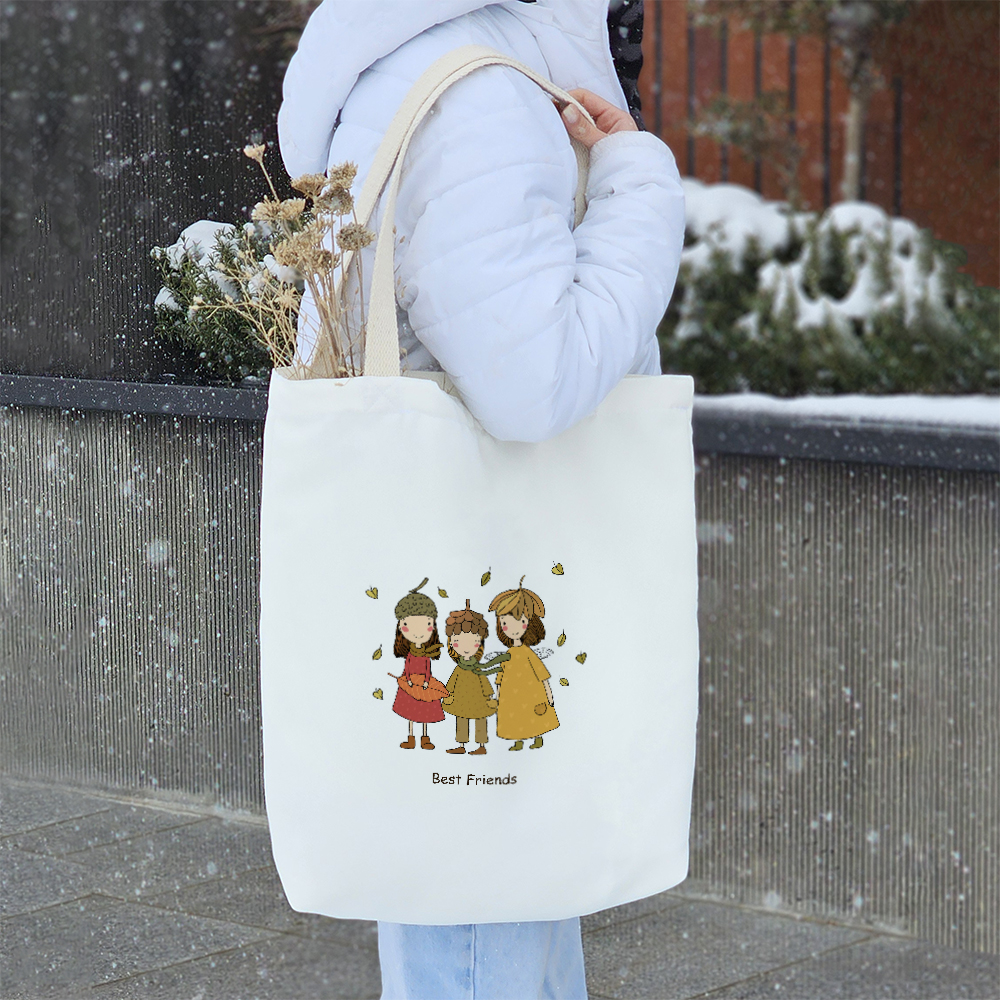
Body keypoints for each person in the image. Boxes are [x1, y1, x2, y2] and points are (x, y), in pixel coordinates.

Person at [277, 1, 684, 996]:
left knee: (481, 886)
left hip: (453, 546)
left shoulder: (429, 60)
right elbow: (533, 384)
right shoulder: (479, 94)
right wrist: (637, 185)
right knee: (483, 911)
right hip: (492, 544)